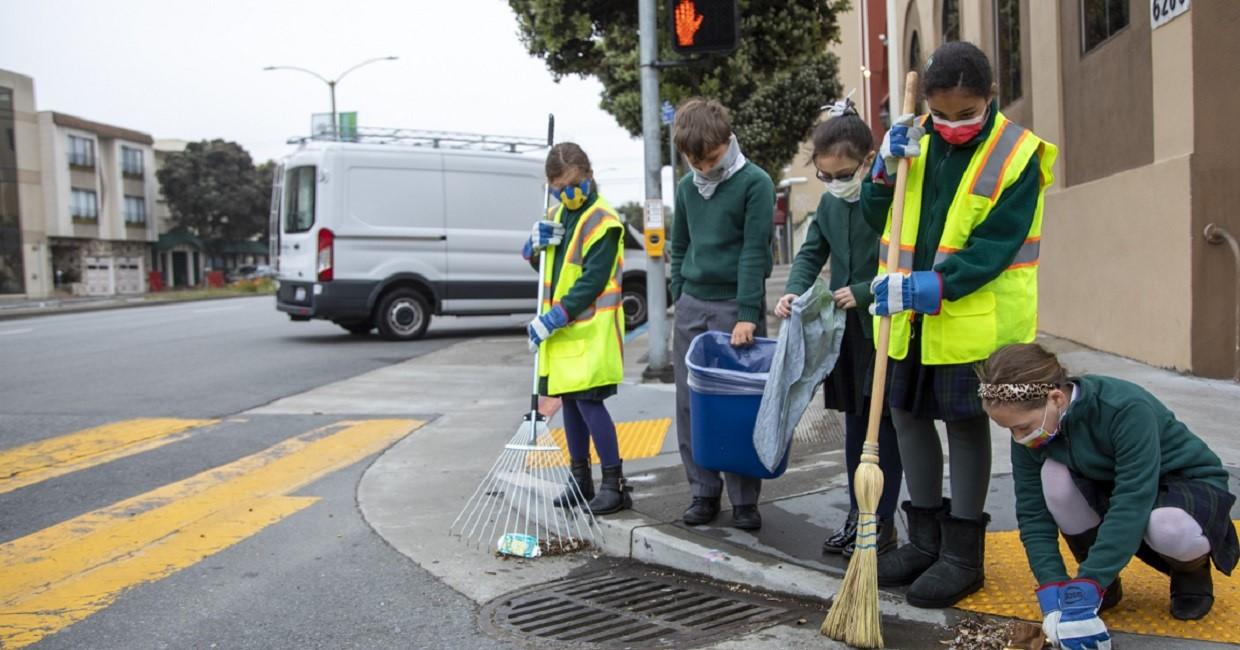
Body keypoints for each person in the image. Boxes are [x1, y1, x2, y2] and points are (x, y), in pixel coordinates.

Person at [861, 41, 1058, 607]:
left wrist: (929, 286)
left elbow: (998, 245)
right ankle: (923, 542)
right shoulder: (911, 135)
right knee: (905, 415)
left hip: (969, 316)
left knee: (966, 425)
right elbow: (880, 214)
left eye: (965, 113)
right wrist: (882, 168)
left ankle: (961, 555)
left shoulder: (1017, 154)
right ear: (926, 102)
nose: (950, 125)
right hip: (905, 316)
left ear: (990, 97)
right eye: (940, 113)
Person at [978, 343, 1238, 649]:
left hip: (1184, 483)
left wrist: (1091, 581)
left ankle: (1191, 573)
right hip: (1112, 484)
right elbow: (1033, 514)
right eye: (1010, 430)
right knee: (1055, 478)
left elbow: (1132, 501)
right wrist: (1053, 584)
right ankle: (1106, 586)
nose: (1019, 438)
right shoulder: (1032, 431)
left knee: (1168, 527)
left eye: (1023, 427)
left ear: (1056, 398)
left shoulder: (1124, 409)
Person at [774, 97, 902, 557]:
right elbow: (812, 253)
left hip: (887, 328)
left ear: (869, 161)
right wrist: (793, 289)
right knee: (853, 424)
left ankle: (881, 518)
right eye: (825, 176)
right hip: (847, 335)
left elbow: (910, 256)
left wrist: (867, 291)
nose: (835, 184)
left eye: (844, 176)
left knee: (883, 427)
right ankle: (856, 512)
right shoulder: (829, 208)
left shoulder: (890, 197)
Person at [670, 97, 774, 530]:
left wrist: (748, 312)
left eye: (710, 158)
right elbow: (680, 246)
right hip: (693, 303)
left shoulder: (755, 183)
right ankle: (703, 491)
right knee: (691, 403)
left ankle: (745, 499)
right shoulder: (685, 187)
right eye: (694, 162)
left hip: (737, 306)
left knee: (742, 405)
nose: (705, 168)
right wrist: (679, 292)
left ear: (726, 142)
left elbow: (754, 251)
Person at [524, 142, 630, 515]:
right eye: (560, 188)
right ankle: (579, 479)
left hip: (593, 331)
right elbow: (548, 273)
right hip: (567, 333)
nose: (569, 193)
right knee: (570, 402)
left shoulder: (603, 219)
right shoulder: (556, 215)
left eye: (574, 184)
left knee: (589, 403)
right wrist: (533, 249)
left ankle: (614, 484)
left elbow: (593, 281)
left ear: (589, 176)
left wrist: (553, 317)